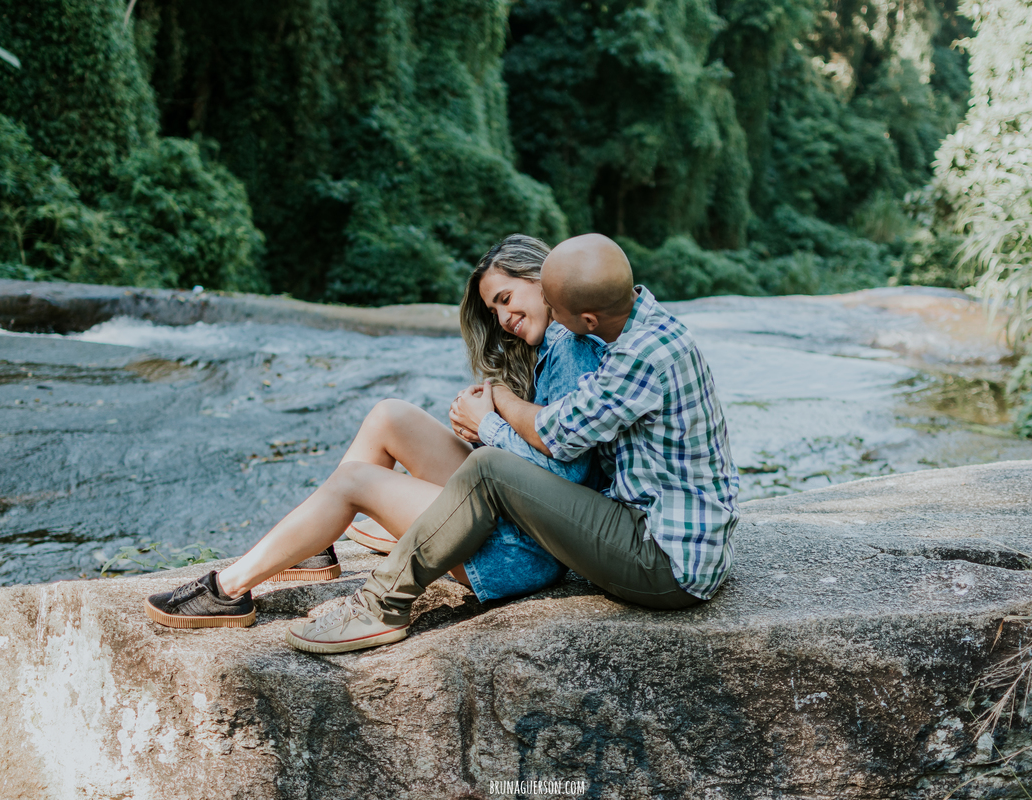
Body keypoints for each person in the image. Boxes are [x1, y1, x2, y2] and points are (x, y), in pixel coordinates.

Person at [283, 233, 741, 654]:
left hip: (665, 564)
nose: (544, 316)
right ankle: (369, 542)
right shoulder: (653, 328)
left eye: (554, 308)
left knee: (487, 467)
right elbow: (560, 428)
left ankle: (381, 605)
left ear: (586, 319)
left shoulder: (634, 358)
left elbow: (557, 438)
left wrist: (491, 414)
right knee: (470, 459)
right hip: (664, 533)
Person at [143, 234, 604, 629]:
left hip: (519, 552)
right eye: (493, 309)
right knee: (390, 415)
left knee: (354, 482)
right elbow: (539, 458)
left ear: (543, 278)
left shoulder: (571, 347)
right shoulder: (552, 346)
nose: (502, 319)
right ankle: (315, 545)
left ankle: (228, 589)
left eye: (505, 298)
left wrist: (488, 424)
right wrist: (481, 431)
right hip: (512, 516)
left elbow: (565, 476)